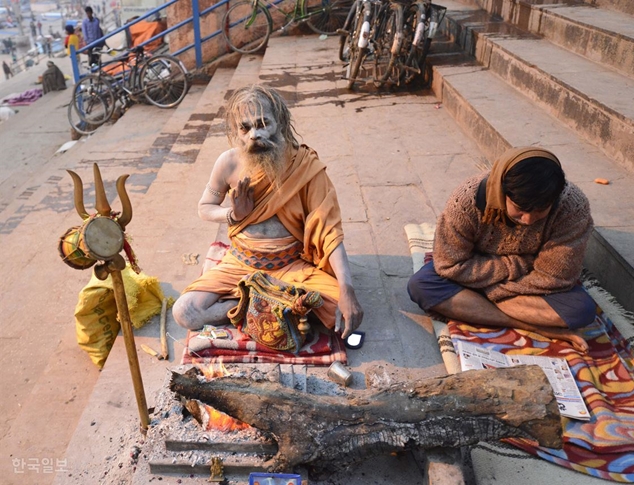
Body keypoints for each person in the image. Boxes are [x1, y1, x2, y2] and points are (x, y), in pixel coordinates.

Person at [172, 85, 364, 340]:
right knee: (185, 312)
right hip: (240, 263)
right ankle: (265, 304)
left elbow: (329, 233)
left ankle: (269, 300)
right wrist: (234, 216)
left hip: (290, 265)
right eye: (246, 128)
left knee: (342, 310)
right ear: (236, 131)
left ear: (281, 122)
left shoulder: (305, 166)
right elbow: (204, 208)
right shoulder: (228, 162)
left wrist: (347, 288)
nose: (255, 134)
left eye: (264, 124)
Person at [408, 146, 596, 352]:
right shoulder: (466, 200)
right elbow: (449, 264)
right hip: (496, 272)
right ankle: (534, 326)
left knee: (581, 310)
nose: (528, 220)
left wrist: (483, 290)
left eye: (540, 211)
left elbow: (555, 278)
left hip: (518, 282)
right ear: (502, 192)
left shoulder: (572, 207)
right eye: (520, 211)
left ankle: (477, 307)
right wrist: (521, 263)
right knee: (422, 286)